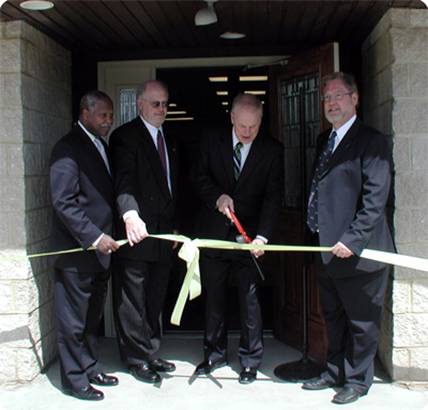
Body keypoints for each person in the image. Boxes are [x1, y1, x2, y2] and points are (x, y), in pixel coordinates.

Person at [302, 72, 395, 405]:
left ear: (355, 98)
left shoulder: (372, 141)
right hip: (326, 249)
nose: (331, 103)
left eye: (338, 96)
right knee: (334, 316)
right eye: (327, 98)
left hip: (359, 252)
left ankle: (357, 380)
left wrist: (352, 239)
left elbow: (375, 198)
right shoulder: (324, 140)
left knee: (361, 321)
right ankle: (333, 372)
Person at [193, 93, 283, 384]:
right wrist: (216, 197)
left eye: (253, 127)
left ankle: (250, 360)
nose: (247, 132)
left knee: (250, 301)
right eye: (242, 126)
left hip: (250, 238)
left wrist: (263, 237)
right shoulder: (210, 140)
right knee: (214, 299)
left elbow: (273, 197)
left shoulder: (272, 150)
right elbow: (198, 177)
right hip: (214, 235)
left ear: (260, 121)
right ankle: (214, 354)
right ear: (231, 117)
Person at [49, 90, 120, 401]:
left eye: (110, 115)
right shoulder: (68, 148)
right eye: (103, 115)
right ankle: (74, 379)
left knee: (91, 320)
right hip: (77, 253)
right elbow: (63, 202)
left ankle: (90, 368)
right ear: (85, 113)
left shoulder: (101, 146)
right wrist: (95, 237)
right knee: (73, 322)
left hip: (100, 254)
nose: (108, 121)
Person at [109, 80, 178, 384]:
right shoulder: (125, 138)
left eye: (164, 104)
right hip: (137, 231)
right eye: (155, 104)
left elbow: (176, 188)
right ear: (139, 104)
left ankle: (151, 350)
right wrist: (130, 214)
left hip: (165, 235)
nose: (161, 109)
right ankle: (137, 358)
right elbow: (123, 180)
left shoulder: (171, 138)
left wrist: (178, 228)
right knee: (133, 299)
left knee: (155, 297)